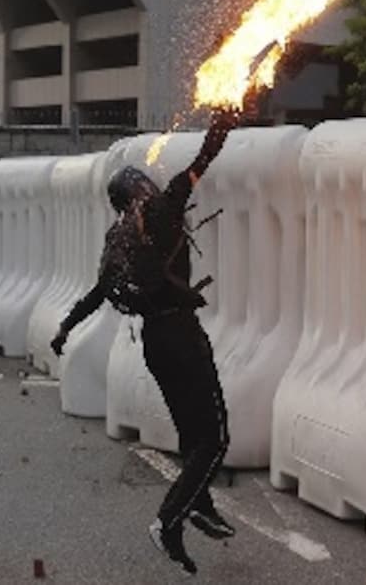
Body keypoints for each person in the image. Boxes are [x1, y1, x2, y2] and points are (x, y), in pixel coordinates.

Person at [51, 110, 239, 574]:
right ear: (139, 189)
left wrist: (64, 329)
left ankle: (199, 505)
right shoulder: (161, 211)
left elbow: (97, 294)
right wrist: (227, 118)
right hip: (180, 336)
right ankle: (169, 520)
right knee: (213, 440)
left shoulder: (119, 238)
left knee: (193, 435)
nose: (152, 185)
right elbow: (204, 158)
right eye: (144, 182)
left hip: (156, 344)